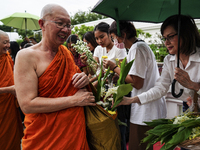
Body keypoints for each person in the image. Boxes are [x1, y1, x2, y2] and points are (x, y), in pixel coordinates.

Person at [14, 4, 95, 150]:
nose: (66, 29)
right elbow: (27, 104)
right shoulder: (26, 56)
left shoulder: (65, 52)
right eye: (60, 23)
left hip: (74, 133)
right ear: (42, 24)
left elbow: (73, 83)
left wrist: (84, 78)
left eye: (69, 25)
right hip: (45, 139)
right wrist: (73, 100)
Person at [118, 15, 200, 150]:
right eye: (164, 38)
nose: (166, 42)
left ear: (185, 33)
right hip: (191, 112)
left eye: (170, 36)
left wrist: (193, 85)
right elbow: (160, 88)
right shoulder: (170, 60)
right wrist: (132, 100)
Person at [103, 21, 167, 150]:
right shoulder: (139, 46)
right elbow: (134, 77)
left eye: (114, 37)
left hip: (145, 108)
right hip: (146, 104)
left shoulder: (137, 49)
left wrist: (114, 67)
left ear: (124, 35)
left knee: (136, 146)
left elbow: (137, 83)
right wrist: (120, 76)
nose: (115, 41)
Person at [0, 30, 23, 150]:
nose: (8, 45)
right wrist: (9, 89)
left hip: (10, 106)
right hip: (1, 108)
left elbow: (12, 75)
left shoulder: (7, 57)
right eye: (5, 42)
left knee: (12, 138)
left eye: (8, 42)